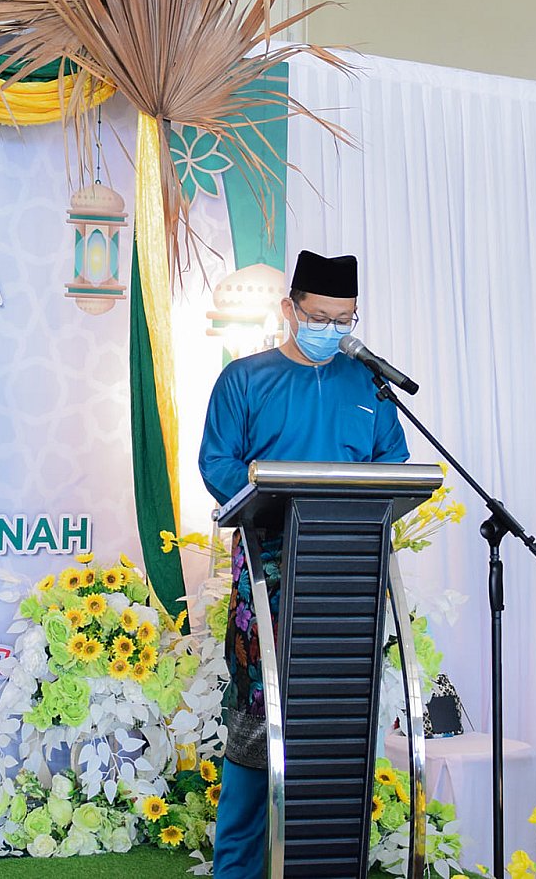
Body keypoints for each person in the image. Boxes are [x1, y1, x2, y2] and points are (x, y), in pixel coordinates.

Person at [198, 250, 408, 879]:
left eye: (344, 321)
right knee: (257, 726)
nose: (331, 330)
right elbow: (218, 463)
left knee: (337, 728)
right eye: (319, 317)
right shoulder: (245, 378)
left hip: (348, 578)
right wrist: (278, 500)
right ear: (290, 309)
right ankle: (238, 870)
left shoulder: (368, 385)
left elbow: (393, 466)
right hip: (268, 573)